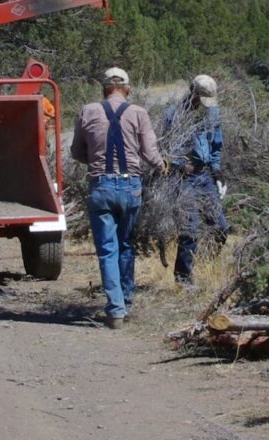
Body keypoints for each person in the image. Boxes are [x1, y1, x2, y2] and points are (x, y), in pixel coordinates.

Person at [71, 67, 166, 329]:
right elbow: (150, 152)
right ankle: (127, 299)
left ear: (104, 88)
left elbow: (77, 152)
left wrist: (97, 159)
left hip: (100, 186)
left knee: (107, 250)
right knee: (125, 245)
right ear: (127, 88)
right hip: (130, 187)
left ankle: (115, 311)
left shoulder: (88, 111)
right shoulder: (138, 113)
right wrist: (162, 166)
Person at [166, 74, 229, 288]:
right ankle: (184, 279)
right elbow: (163, 148)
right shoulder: (173, 115)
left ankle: (205, 264)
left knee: (220, 227)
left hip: (204, 177)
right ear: (192, 91)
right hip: (183, 179)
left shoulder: (212, 114)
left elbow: (216, 144)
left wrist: (217, 169)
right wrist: (178, 164)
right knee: (189, 229)